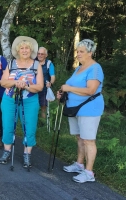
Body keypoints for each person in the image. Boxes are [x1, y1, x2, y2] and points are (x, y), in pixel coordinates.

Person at [58, 39, 104, 183]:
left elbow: (91, 90)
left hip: (89, 108)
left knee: (89, 140)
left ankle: (89, 172)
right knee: (80, 137)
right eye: (77, 51)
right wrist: (62, 92)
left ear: (90, 53)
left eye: (81, 52)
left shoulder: (95, 68)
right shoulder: (79, 68)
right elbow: (71, 85)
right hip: (75, 108)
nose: (78, 54)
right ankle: (79, 164)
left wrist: (69, 89)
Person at [0, 36, 43, 168]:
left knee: (29, 127)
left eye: (27, 48)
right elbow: (3, 82)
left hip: (29, 101)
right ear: (18, 50)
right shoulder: (11, 63)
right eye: (22, 48)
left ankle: (27, 155)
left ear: (31, 50)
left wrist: (26, 86)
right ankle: (7, 151)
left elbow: (40, 87)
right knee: (8, 126)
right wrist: (15, 82)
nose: (24, 50)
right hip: (9, 100)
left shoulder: (37, 65)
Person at [36, 47, 56, 118]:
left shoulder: (49, 63)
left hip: (44, 88)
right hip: (33, 87)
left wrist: (50, 83)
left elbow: (53, 76)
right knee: (33, 106)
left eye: (42, 54)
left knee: (43, 106)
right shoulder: (33, 62)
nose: (40, 55)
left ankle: (43, 123)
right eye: (38, 53)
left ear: (46, 55)